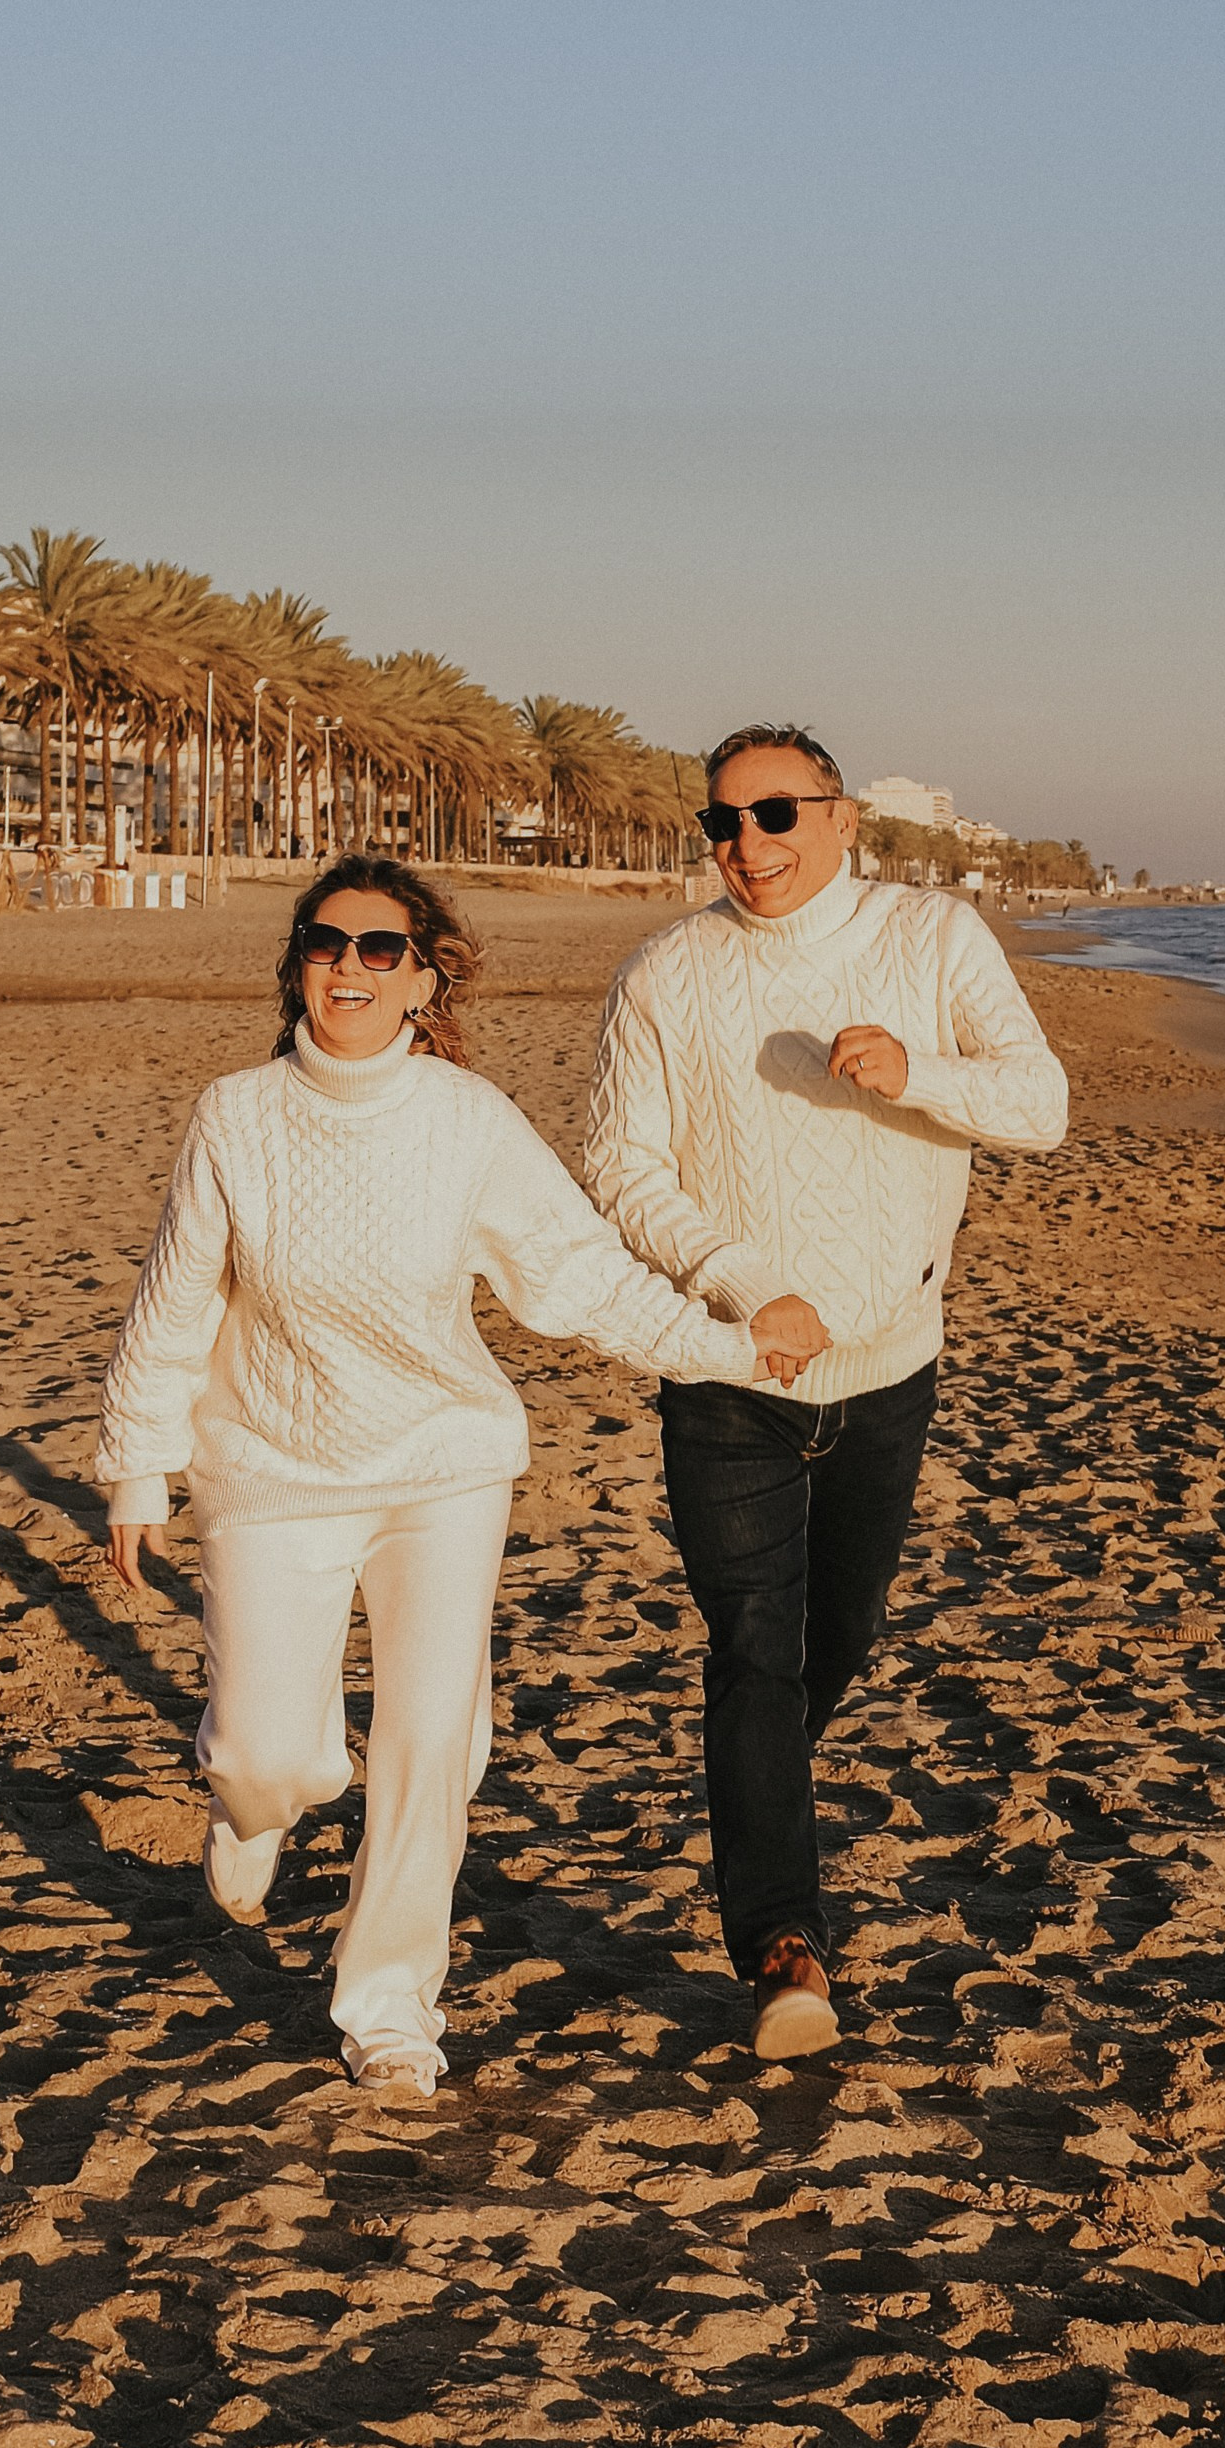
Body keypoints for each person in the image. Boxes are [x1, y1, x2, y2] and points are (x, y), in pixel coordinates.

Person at [96, 854, 780, 2104]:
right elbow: (174, 1301)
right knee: (266, 1748)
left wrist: (728, 1347)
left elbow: (581, 1278)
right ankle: (254, 1812)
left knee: (425, 1744)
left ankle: (390, 2009)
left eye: (380, 949)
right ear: (297, 961)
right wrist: (139, 1463)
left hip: (441, 1471)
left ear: (425, 980)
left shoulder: (469, 1123)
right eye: (326, 942)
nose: (348, 967)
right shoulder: (234, 1115)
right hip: (269, 1467)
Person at [586, 726, 1068, 2061]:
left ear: (840, 818)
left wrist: (918, 1075)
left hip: (890, 1370)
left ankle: (757, 1805)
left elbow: (1042, 1104)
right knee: (752, 1645)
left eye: (776, 811)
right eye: (722, 820)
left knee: (823, 1652)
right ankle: (785, 1945)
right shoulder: (669, 973)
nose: (747, 842)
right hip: (729, 1378)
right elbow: (619, 1165)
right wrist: (740, 1281)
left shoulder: (933, 939)